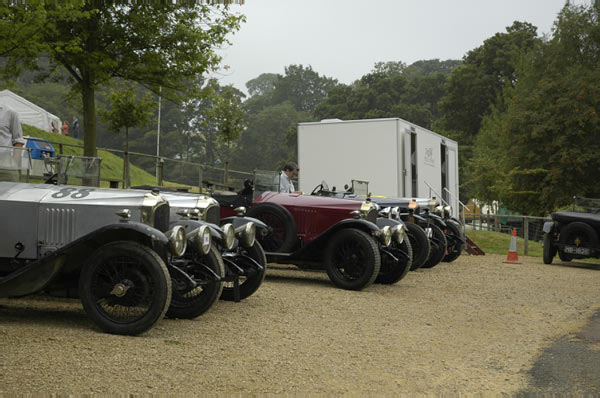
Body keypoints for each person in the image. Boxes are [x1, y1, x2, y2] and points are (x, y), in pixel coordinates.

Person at [0, 103, 25, 182]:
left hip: (5, 168)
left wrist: (14, 164)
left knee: (9, 193)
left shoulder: (10, 112)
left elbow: (18, 140)